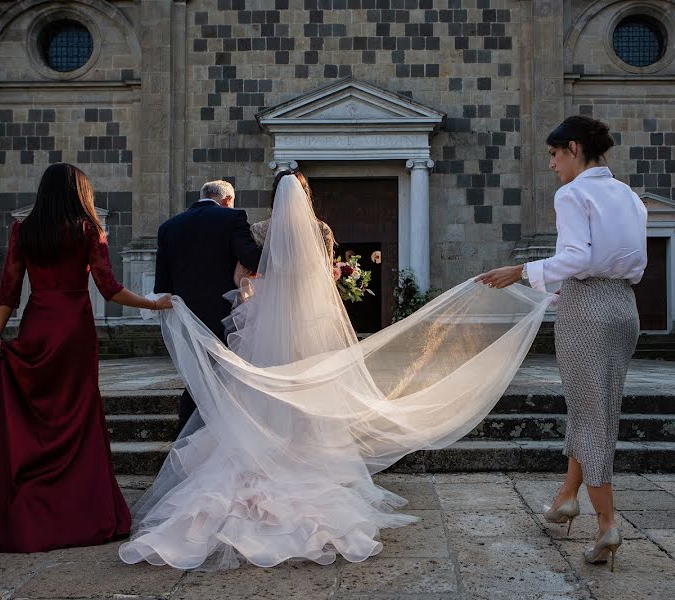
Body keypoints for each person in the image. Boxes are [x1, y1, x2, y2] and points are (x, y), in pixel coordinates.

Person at [118, 172, 553, 570]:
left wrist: (254, 304)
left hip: (266, 330)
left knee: (259, 396)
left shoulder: (256, 231)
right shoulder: (321, 230)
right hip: (308, 330)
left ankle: (255, 464)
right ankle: (308, 462)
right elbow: (324, 281)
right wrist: (337, 275)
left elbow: (244, 277)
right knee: (310, 394)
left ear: (273, 198)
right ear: (308, 197)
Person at [0, 163, 171, 553]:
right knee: (76, 415)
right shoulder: (88, 230)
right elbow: (109, 288)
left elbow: (10, 287)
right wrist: (153, 303)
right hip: (74, 331)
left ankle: (21, 495)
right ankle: (77, 507)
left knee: (35, 413)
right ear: (80, 194)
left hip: (37, 323)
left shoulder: (23, 230)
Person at [476, 115, 647, 571]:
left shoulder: (573, 193)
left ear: (573, 149)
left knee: (592, 415)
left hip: (587, 311)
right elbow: (628, 261)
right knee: (593, 407)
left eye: (553, 155)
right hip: (624, 309)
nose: (551, 165)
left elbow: (577, 257)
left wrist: (519, 271)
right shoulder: (629, 195)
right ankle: (567, 497)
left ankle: (607, 522)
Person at [154, 179, 262, 431]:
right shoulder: (232, 218)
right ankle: (224, 434)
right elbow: (250, 258)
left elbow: (162, 283)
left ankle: (187, 433)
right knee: (227, 375)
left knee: (197, 378)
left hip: (185, 317)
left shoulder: (169, 227)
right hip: (224, 314)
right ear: (227, 200)